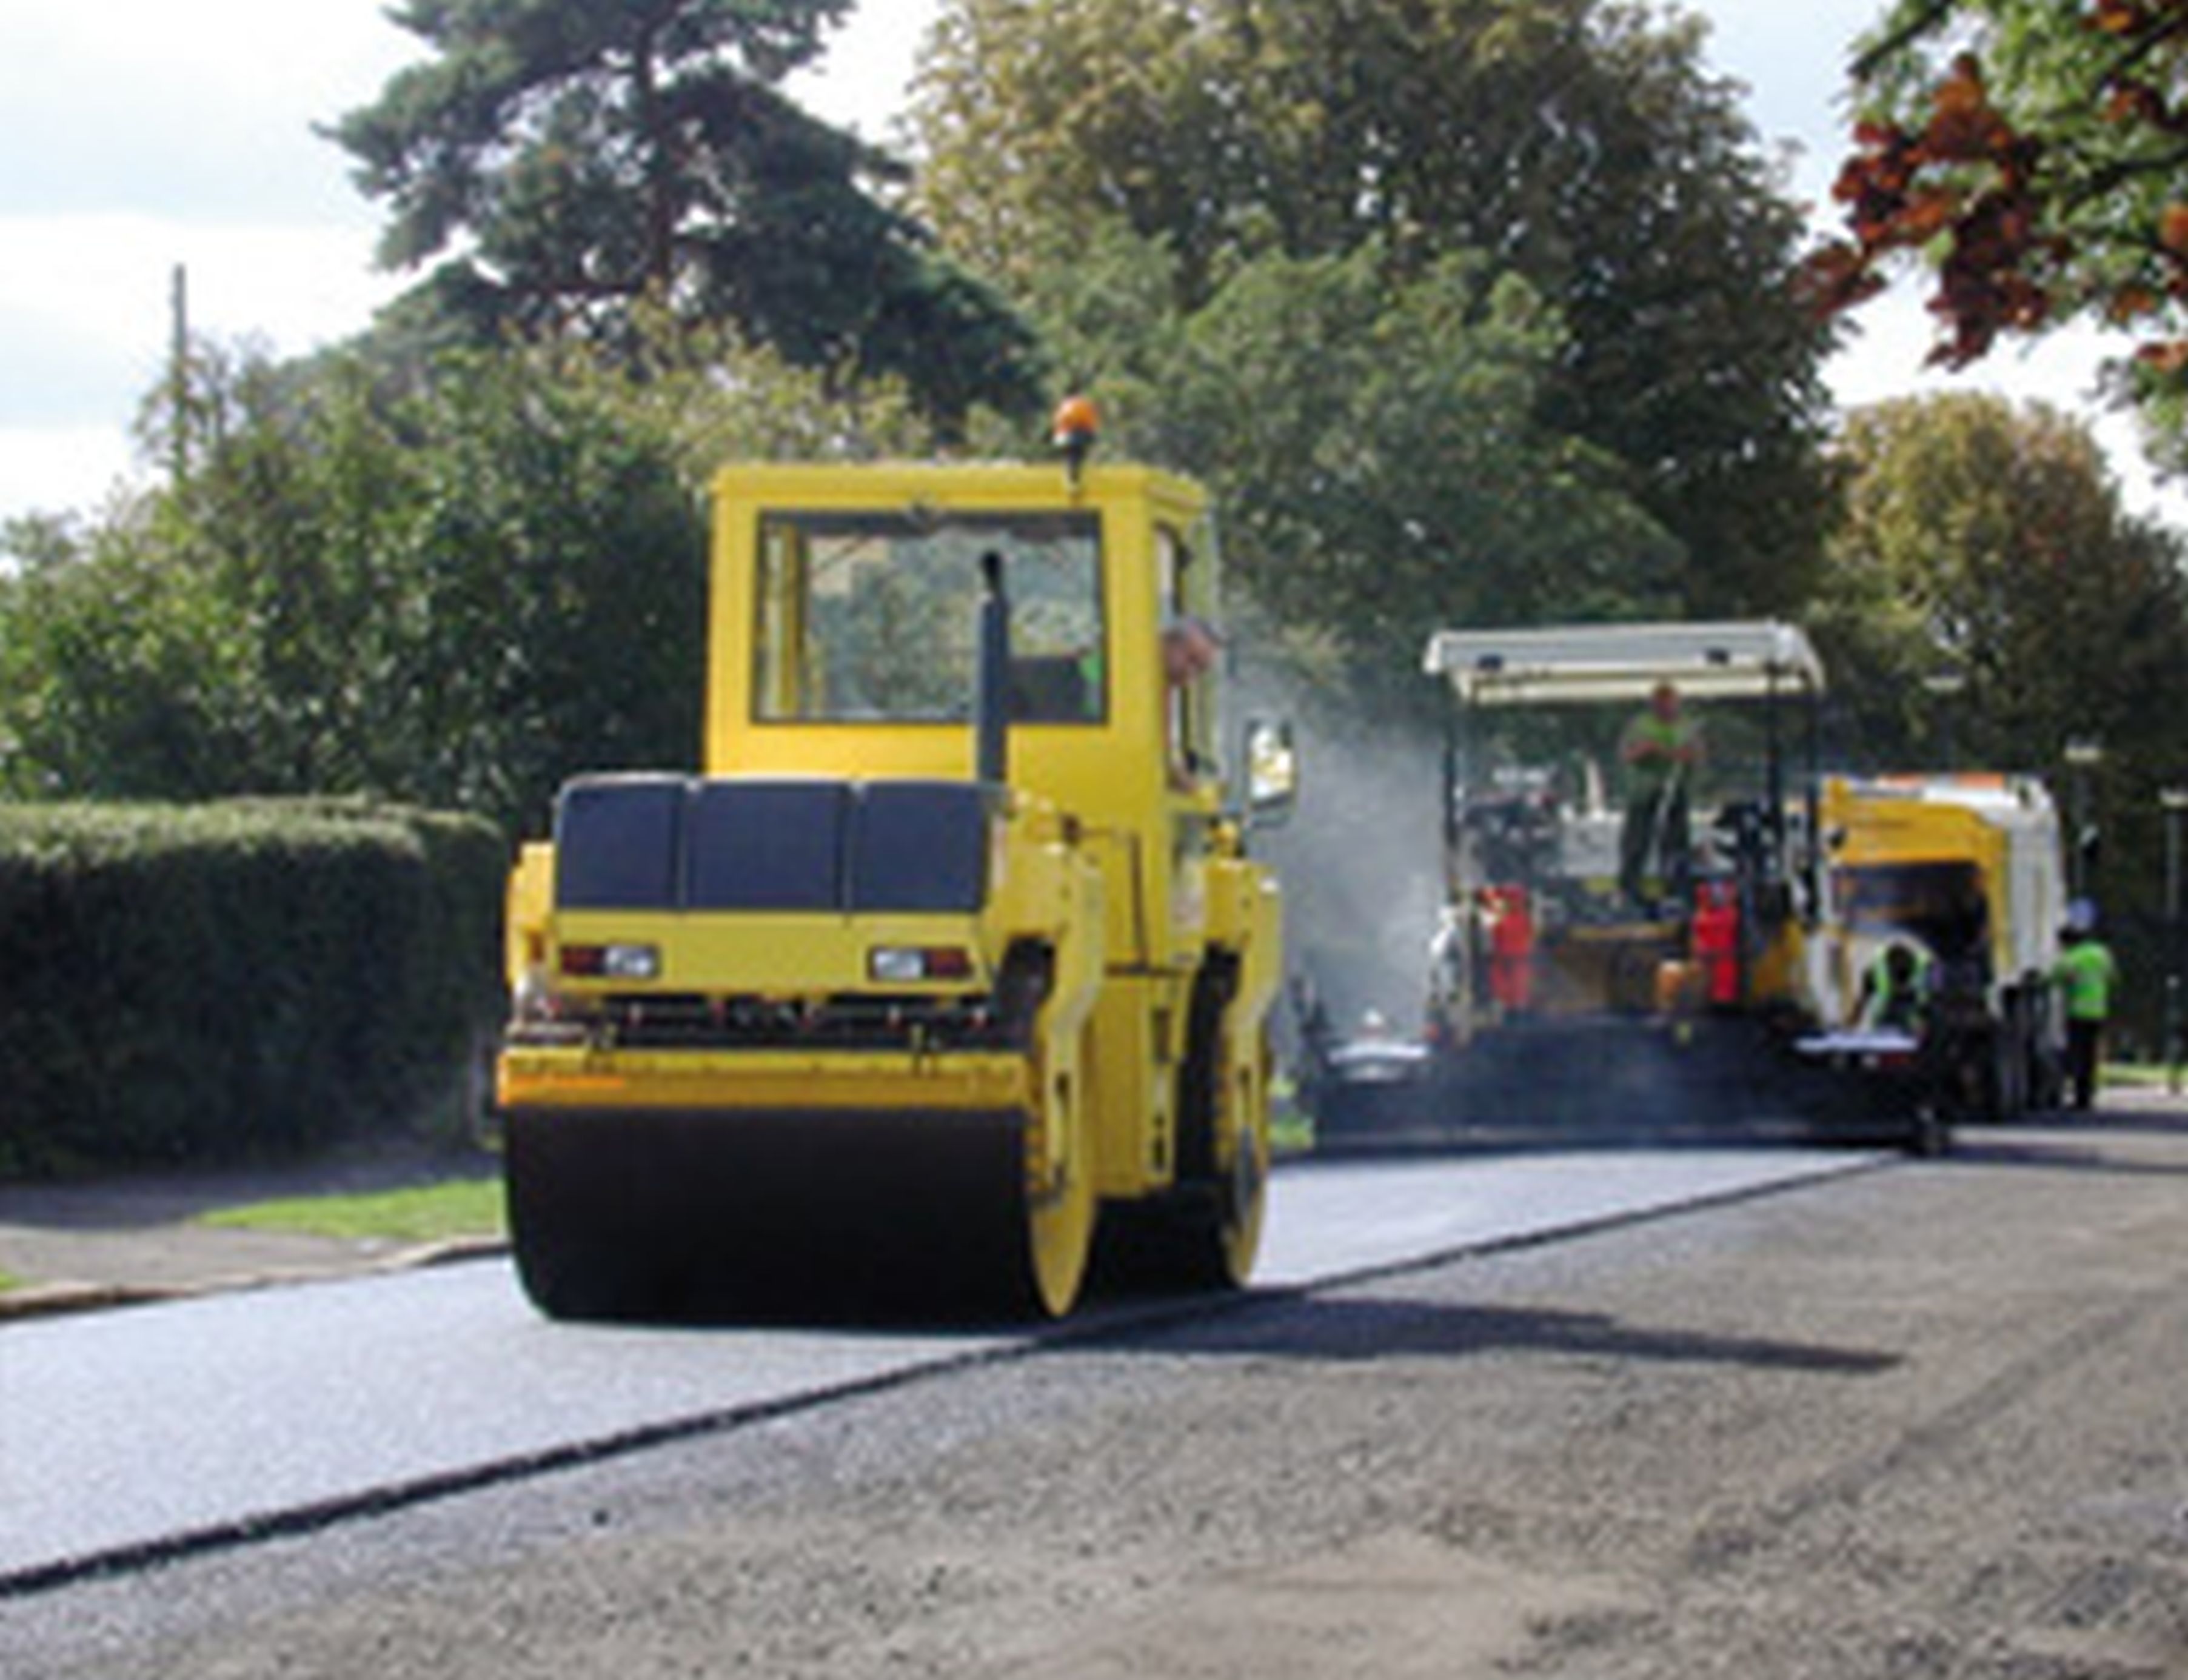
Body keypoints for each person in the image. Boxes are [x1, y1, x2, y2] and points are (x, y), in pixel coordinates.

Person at [1617, 680, 1703, 909]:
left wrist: (1664, 752)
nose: (1666, 709)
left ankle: (1676, 887)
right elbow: (1627, 755)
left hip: (1674, 792)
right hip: (1643, 794)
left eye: (1670, 704)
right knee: (1637, 841)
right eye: (1661, 705)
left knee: (1675, 842)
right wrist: (1644, 750)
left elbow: (1695, 754)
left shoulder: (1686, 727)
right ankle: (1630, 887)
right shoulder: (1641, 726)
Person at [2053, 913, 2121, 1111]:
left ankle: (2080, 1097)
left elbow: (2057, 978)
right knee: (2091, 1055)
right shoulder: (2101, 953)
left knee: (2078, 1055)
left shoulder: (2070, 958)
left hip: (2077, 1012)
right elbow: (2113, 978)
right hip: (2098, 1011)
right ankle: (2089, 1094)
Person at [1161, 613, 1222, 789]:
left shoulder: (1164, 688)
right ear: (1170, 642)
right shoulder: (1134, 677)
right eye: (1191, 659)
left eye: (1200, 670)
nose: (1190, 673)